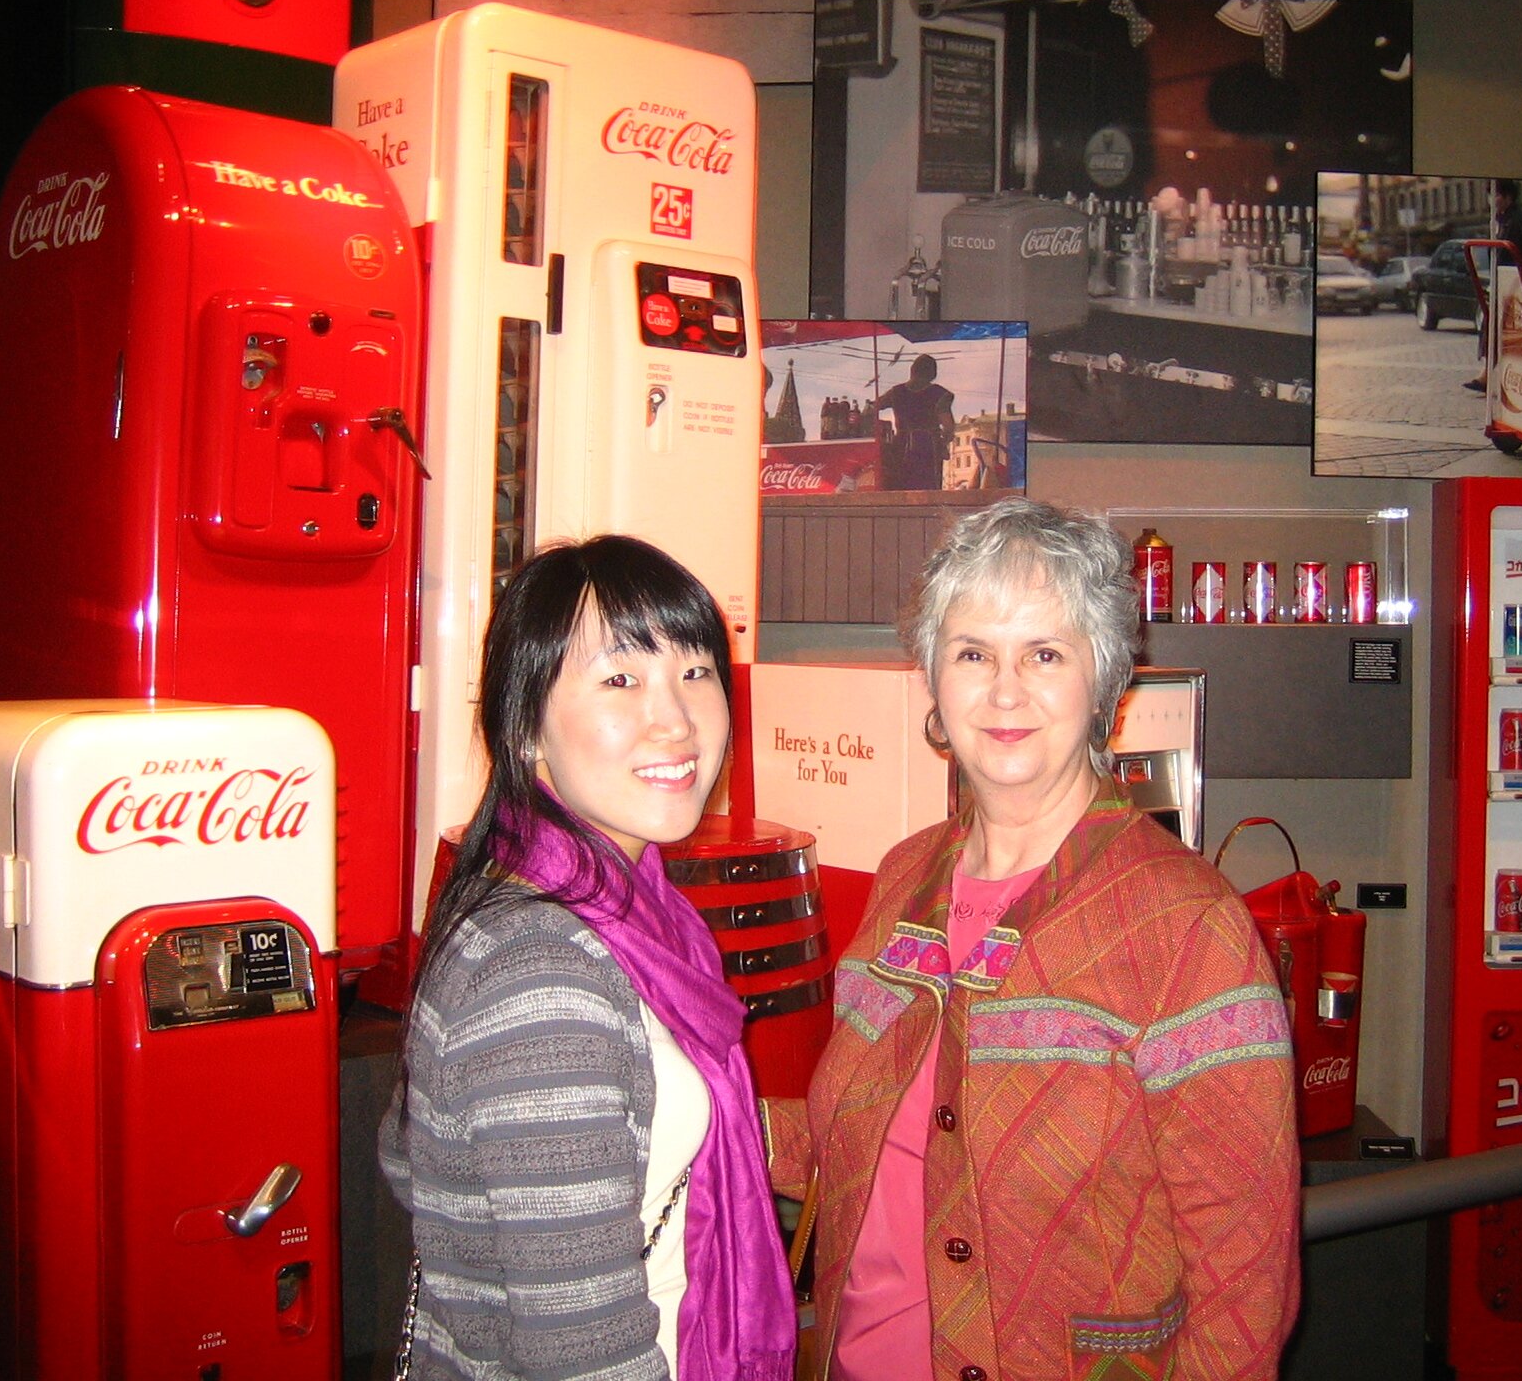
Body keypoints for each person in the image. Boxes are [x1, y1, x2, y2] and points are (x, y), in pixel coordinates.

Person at [762, 498, 1302, 1379]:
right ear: (934, 679)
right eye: (973, 653)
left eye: (1044, 654)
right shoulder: (902, 879)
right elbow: (861, 1138)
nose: (1004, 690)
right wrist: (703, 1115)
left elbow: (1243, 1285)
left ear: (1105, 679)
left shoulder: (1186, 925)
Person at [383, 535, 796, 1381]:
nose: (676, 719)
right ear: (525, 726)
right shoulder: (541, 976)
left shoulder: (630, 909)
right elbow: (584, 1354)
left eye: (696, 671)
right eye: (620, 679)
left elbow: (409, 1151)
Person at [1465, 178, 1522, 392]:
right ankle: (1486, 373)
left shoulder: (1519, 220)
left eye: (1496, 194)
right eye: (1490, 194)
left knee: (1506, 331)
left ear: (1508, 197)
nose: (1492, 199)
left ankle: (1491, 376)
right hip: (1501, 284)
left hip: (1515, 285)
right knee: (1491, 327)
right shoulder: (1499, 221)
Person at [874, 352, 956, 491]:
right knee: (928, 491)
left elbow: (873, 407)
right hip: (929, 448)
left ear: (912, 370)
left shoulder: (896, 392)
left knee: (901, 489)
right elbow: (948, 426)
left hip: (901, 446)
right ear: (932, 373)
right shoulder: (940, 394)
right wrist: (944, 442)